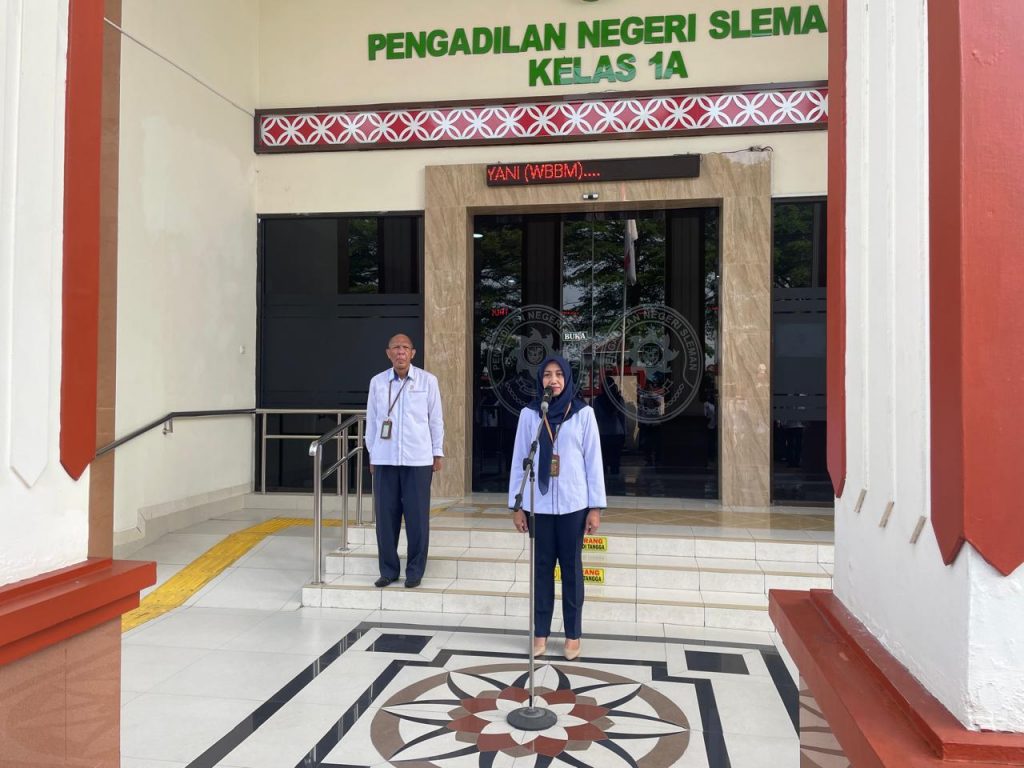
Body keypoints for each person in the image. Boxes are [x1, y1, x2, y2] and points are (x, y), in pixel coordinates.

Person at [508, 355, 605, 661]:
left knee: (572, 571)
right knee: (542, 570)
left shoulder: (583, 414)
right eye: (547, 374)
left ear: (567, 379)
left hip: (574, 505)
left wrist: (595, 507)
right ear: (540, 380)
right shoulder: (530, 415)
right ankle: (540, 632)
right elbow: (520, 460)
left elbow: (594, 461)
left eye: (559, 374)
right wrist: (517, 505)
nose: (553, 380)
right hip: (539, 505)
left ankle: (573, 634)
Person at [364, 334, 444, 589]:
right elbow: (372, 421)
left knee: (417, 518)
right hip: (385, 459)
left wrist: (437, 452)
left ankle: (415, 571)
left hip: (418, 459)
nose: (400, 352)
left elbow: (435, 419)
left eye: (405, 348)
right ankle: (388, 571)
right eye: (396, 348)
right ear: (388, 353)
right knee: (385, 519)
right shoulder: (377, 382)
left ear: (413, 353)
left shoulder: (428, 381)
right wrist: (372, 454)